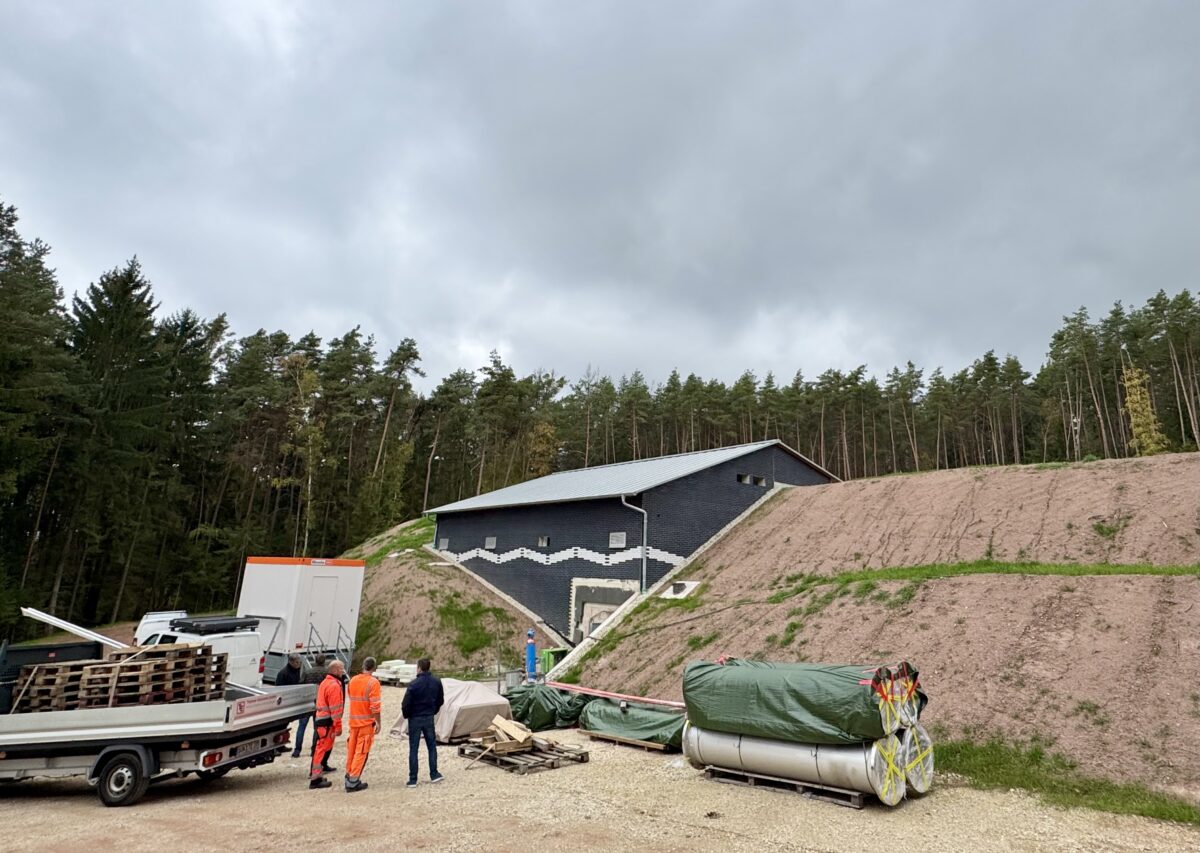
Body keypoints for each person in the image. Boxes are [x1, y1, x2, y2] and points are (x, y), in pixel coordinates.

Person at [401, 657, 444, 788]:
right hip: (429, 716)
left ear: (419, 668)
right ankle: (434, 774)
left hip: (415, 718)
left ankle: (413, 779)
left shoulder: (413, 684)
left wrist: (407, 715)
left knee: (414, 748)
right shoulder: (436, 682)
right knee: (431, 746)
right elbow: (440, 700)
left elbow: (405, 704)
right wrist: (434, 710)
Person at [343, 657, 382, 792]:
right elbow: (375, 706)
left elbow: (352, 697)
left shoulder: (353, 680)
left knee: (352, 751)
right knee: (361, 752)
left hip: (353, 722)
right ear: (374, 668)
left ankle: (349, 775)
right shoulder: (373, 683)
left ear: (363, 666)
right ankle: (353, 781)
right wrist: (378, 722)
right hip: (366, 724)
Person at [308, 659, 345, 790]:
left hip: (321, 721)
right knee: (321, 750)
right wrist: (338, 727)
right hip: (326, 723)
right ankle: (315, 779)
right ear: (335, 670)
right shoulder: (334, 685)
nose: (343, 671)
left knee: (320, 749)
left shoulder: (325, 682)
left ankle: (317, 775)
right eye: (341, 669)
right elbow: (335, 710)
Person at [294, 654, 327, 759]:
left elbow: (300, 685)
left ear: (315, 661)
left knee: (301, 726)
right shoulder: (326, 673)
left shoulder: (307, 672)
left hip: (307, 702)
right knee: (316, 727)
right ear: (324, 661)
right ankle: (314, 750)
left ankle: (297, 750)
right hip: (319, 703)